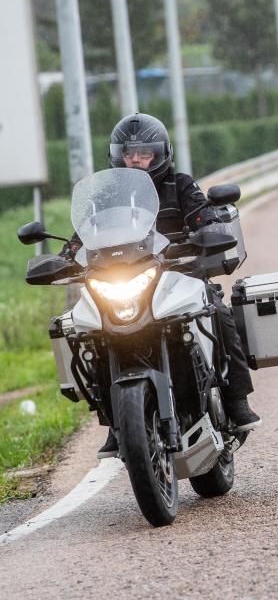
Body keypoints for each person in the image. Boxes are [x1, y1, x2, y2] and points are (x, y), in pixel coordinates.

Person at [62, 113, 259, 458]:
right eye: (128, 153)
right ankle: (113, 422)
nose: (136, 160)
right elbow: (80, 237)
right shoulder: (107, 194)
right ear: (117, 155)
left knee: (219, 310)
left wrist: (207, 230)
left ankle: (236, 399)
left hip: (178, 274)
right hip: (122, 278)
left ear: (161, 153)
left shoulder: (180, 184)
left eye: (144, 153)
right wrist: (67, 254)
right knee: (91, 333)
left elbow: (203, 215)